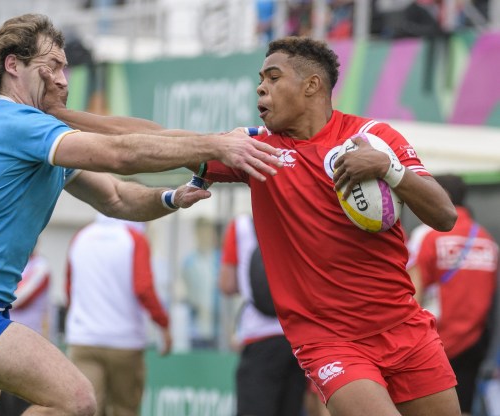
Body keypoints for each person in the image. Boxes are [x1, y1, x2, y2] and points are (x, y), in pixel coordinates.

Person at [0, 13, 281, 416]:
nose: (63, 79)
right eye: (52, 66)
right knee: (78, 402)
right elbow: (119, 153)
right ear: (13, 65)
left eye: (65, 68)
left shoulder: (39, 131)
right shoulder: (16, 122)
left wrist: (170, 198)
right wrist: (217, 146)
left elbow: (115, 197)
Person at [189, 36, 461, 416]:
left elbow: (444, 216)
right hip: (330, 341)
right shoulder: (259, 151)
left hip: (404, 328)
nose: (260, 86)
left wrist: (388, 169)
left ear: (311, 86)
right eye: (260, 79)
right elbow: (160, 143)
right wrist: (79, 127)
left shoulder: (373, 138)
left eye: (273, 76)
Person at [407, 174, 499, 416]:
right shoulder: (487, 240)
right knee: (463, 408)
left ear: (443, 196)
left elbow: (412, 292)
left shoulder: (427, 234)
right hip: (475, 340)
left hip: (433, 341)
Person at [65, 214, 170, 416]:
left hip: (84, 339)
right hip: (125, 343)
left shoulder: (81, 237)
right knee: (125, 409)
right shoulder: (134, 239)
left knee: (88, 409)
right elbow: (144, 289)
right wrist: (163, 324)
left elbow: (70, 288)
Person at [219, 214, 306, 416]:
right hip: (297, 338)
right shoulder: (297, 219)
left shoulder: (240, 227)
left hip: (259, 337)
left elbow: (227, 284)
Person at [0, 249, 53, 416]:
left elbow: (18, 298)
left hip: (29, 348)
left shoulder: (40, 266)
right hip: (0, 345)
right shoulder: (4, 262)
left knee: (21, 405)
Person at [181, 216, 221, 349]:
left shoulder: (220, 259)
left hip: (218, 327)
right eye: (201, 232)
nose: (204, 236)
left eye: (207, 232)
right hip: (196, 328)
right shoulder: (190, 261)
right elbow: (187, 291)